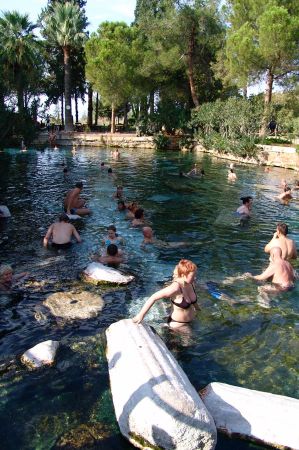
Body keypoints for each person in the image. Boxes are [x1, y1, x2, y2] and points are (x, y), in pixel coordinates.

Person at [132, 259, 199, 329]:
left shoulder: (190, 283)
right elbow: (153, 297)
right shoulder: (175, 288)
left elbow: (193, 301)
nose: (195, 278)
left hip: (191, 320)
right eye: (193, 276)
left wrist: (198, 310)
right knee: (192, 339)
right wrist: (140, 315)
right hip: (178, 324)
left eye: (195, 274)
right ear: (183, 275)